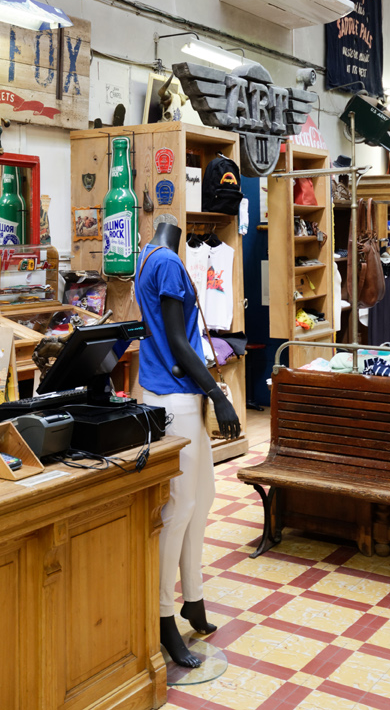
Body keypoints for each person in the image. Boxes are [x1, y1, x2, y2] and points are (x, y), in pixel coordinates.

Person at [133, 221, 242, 669]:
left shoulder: (146, 256)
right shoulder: (168, 263)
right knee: (178, 510)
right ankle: (163, 616)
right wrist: (219, 395)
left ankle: (192, 597)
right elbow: (179, 343)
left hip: (174, 394)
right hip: (175, 398)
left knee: (202, 498)